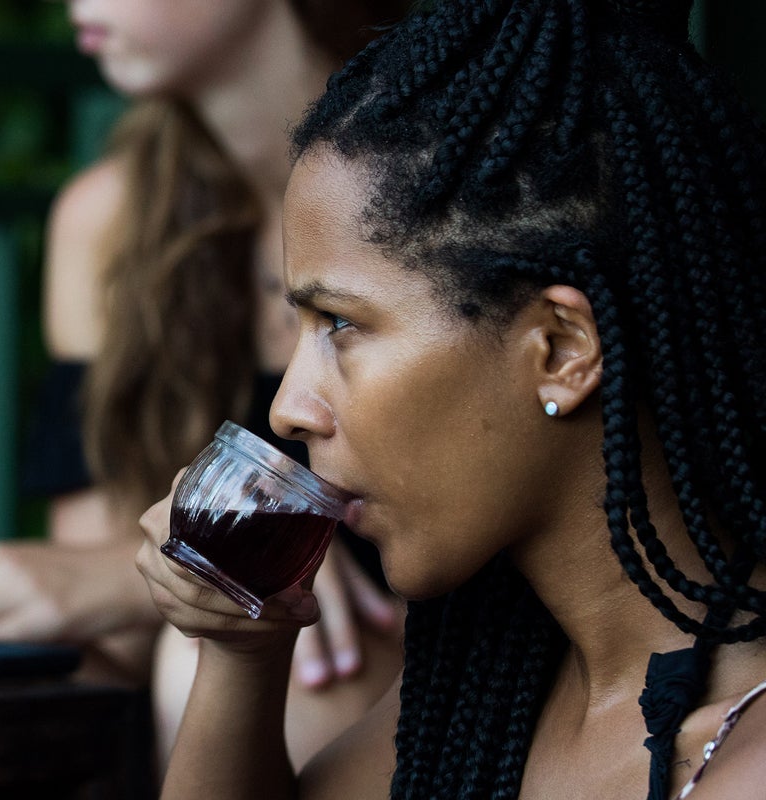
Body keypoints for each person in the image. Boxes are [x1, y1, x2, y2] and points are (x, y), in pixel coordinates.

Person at [134, 0, 766, 797]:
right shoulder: (489, 691)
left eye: (339, 323)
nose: (288, 409)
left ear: (562, 350)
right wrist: (241, 652)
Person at [0, 0, 409, 775]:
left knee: (265, 666)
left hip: (423, 641)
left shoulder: (444, 183)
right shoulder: (112, 219)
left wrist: (228, 563)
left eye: (336, 323)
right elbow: (90, 592)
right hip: (206, 658)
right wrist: (230, 561)